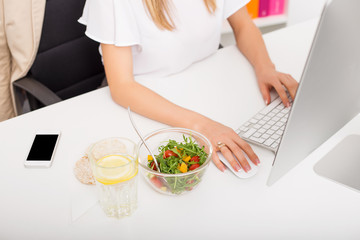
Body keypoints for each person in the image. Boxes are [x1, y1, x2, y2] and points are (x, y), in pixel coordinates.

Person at [79, 0, 298, 173]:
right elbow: (122, 87)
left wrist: (265, 67)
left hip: (206, 87)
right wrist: (202, 127)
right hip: (145, 106)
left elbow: (243, 26)